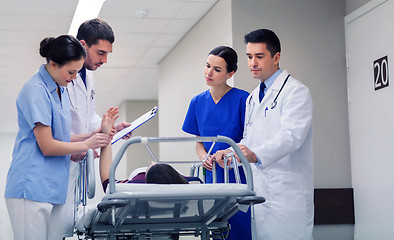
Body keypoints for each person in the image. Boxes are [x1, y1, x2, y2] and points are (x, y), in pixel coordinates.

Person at [4, 35, 112, 240]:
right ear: (53, 64)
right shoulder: (36, 90)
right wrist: (87, 144)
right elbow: (47, 145)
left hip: (51, 187)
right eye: (71, 72)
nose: (73, 78)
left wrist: (94, 133)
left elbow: (61, 137)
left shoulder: (59, 89)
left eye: (77, 72)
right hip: (31, 187)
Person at [215, 29, 314, 240]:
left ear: (276, 57)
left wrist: (255, 155)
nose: (253, 63)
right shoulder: (252, 98)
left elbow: (292, 136)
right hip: (261, 196)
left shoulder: (296, 92)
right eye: (249, 57)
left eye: (259, 56)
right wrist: (230, 153)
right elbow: (250, 141)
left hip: (287, 195)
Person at [63, 18, 132, 238]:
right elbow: (56, 126)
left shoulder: (87, 75)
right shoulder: (62, 78)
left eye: (107, 54)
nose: (105, 60)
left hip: (76, 163)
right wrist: (78, 144)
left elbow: (86, 116)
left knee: (62, 230)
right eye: (101, 53)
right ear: (83, 45)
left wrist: (114, 129)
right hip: (61, 159)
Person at [182, 46, 251, 240]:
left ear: (230, 73)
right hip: (211, 175)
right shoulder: (197, 102)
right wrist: (203, 157)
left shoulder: (243, 100)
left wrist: (228, 153)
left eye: (217, 69)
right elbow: (198, 142)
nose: (209, 73)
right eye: (207, 66)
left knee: (239, 229)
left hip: (238, 175)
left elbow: (251, 139)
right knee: (216, 229)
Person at [97, 108, 188, 193]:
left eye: (152, 167)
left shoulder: (137, 185)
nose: (152, 162)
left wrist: (106, 134)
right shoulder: (192, 184)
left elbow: (107, 182)